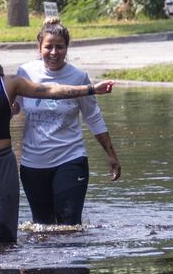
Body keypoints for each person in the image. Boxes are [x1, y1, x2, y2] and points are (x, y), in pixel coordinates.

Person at [0, 32, 114, 245]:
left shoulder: (10, 83)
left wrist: (90, 89)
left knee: (2, 233)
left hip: (0, 162)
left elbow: (51, 90)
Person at [16, 21, 121, 226]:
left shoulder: (78, 76)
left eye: (60, 46)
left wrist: (111, 154)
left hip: (70, 158)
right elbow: (14, 107)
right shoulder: (25, 73)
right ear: (39, 48)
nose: (54, 52)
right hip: (33, 163)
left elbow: (93, 117)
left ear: (67, 48)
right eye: (48, 46)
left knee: (69, 224)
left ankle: (73, 257)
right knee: (41, 227)